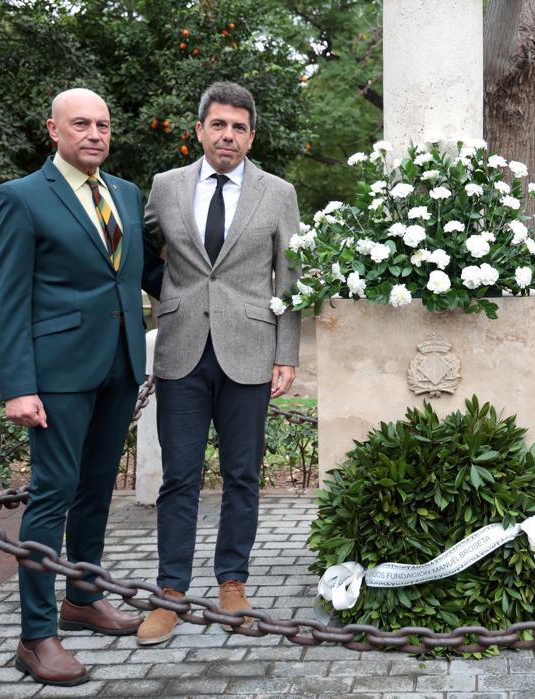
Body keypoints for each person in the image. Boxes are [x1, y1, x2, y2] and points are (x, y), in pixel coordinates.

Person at [0, 88, 163, 686]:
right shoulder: (22, 197)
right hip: (57, 375)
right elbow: (8, 299)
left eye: (103, 125)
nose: (95, 133)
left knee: (95, 492)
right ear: (54, 131)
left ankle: (84, 598)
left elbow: (142, 273)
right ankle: (36, 635)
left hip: (119, 365)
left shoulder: (124, 192)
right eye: (82, 124)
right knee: (52, 494)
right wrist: (19, 385)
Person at [136, 81, 301, 645]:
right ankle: (171, 594)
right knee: (178, 477)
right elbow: (141, 253)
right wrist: (173, 297)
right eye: (218, 125)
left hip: (251, 353)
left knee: (242, 475)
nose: (227, 135)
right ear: (199, 129)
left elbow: (291, 278)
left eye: (238, 127)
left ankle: (233, 582)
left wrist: (286, 353)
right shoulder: (166, 187)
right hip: (181, 350)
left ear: (251, 136)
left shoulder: (277, 193)